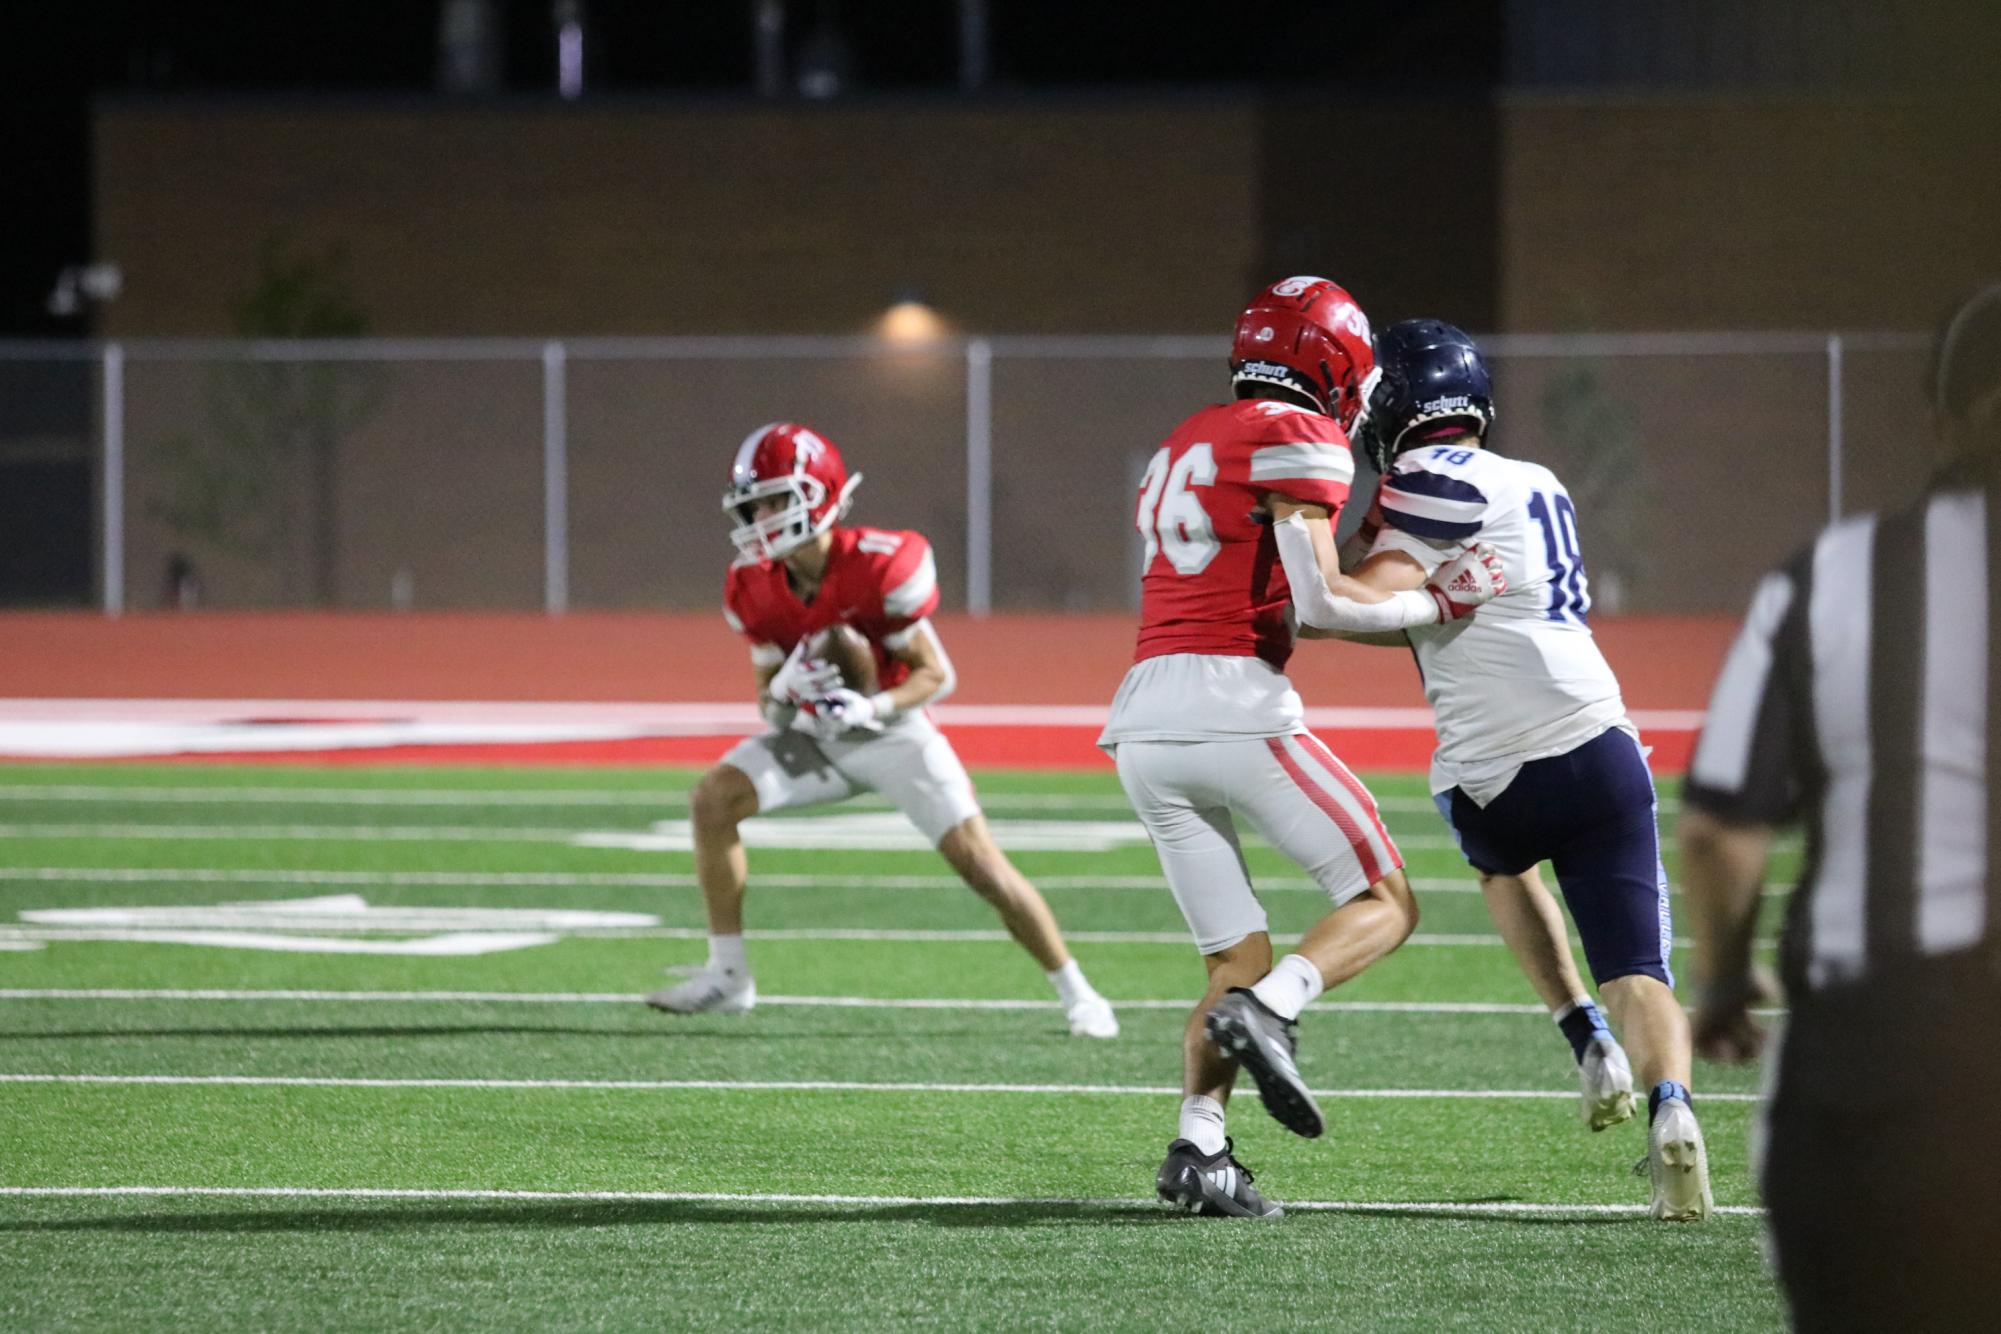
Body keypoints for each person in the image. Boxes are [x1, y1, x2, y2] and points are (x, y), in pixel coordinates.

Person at [1278, 319, 1710, 1219]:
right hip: (1600, 736)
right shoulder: (1539, 481)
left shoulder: (1422, 480)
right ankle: (1672, 1109)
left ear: (1391, 406)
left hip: (1492, 768)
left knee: (1500, 859)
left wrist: (1300, 513)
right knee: (1641, 969)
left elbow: (1341, 607)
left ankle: (1579, 1032)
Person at [1101, 277, 1506, 1217]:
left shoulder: (1188, 435)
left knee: (1228, 955)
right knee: (1384, 901)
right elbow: (1318, 604)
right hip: (1232, 702)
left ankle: (1199, 1150)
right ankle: (1273, 1007)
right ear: (1328, 361)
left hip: (1141, 724)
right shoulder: (1300, 435)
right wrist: (1438, 600)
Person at [1680, 281, 2001, 1325]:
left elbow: (1722, 825)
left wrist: (1725, 980)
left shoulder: (1835, 575)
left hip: (1882, 1054)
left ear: (1945, 416)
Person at [646, 421, 1119, 1040]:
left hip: (892, 731)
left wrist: (869, 708)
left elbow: (936, 676)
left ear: (820, 495)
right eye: (754, 502)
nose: (761, 515)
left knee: (981, 864)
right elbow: (768, 703)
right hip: (816, 736)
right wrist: (790, 694)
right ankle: (728, 976)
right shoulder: (752, 585)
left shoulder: (877, 565)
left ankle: (1080, 993)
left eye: (775, 499)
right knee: (713, 800)